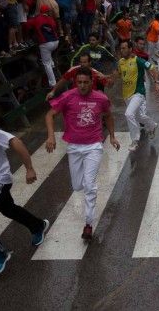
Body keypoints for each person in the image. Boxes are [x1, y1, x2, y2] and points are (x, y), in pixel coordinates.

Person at [45, 66, 120, 240]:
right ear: (75, 82)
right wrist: (51, 136)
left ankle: (88, 223)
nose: (82, 86)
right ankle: (87, 202)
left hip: (93, 146)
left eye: (86, 82)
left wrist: (112, 137)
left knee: (89, 185)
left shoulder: (100, 98)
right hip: (74, 147)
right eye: (79, 82)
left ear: (91, 82)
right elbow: (50, 115)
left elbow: (108, 116)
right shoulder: (67, 96)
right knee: (77, 186)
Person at [0, 118, 49, 276]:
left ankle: (0, 252)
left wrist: (29, 168)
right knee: (8, 209)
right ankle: (38, 225)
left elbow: (14, 140)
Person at [114, 40, 159, 151]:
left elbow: (152, 68)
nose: (122, 50)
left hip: (138, 93)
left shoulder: (137, 60)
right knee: (139, 116)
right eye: (121, 48)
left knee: (129, 114)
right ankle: (153, 125)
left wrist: (157, 83)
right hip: (126, 95)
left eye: (125, 48)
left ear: (130, 49)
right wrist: (108, 78)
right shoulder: (120, 62)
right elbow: (118, 74)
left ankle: (135, 141)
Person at [25, 4, 59, 89]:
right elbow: (55, 27)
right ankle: (53, 65)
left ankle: (52, 84)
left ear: (40, 11)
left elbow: (27, 25)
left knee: (46, 64)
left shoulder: (37, 18)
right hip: (56, 42)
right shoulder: (51, 19)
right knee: (49, 58)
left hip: (46, 44)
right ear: (47, 11)